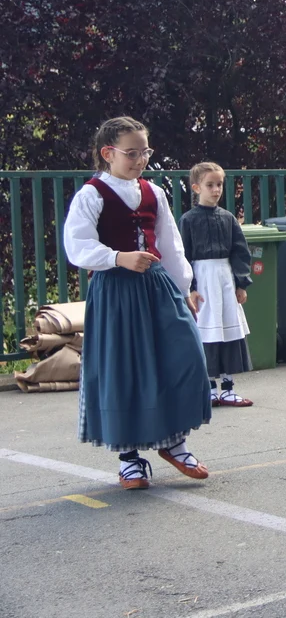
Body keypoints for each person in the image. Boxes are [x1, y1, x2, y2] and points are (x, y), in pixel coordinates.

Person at [63, 117, 211, 490]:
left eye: (145, 152)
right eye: (132, 153)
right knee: (123, 368)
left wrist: (184, 288)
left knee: (185, 356)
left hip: (156, 286)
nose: (141, 159)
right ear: (108, 153)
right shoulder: (92, 194)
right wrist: (118, 257)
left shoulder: (153, 192)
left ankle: (173, 442)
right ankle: (129, 459)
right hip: (115, 290)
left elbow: (170, 243)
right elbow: (77, 245)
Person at [179, 162, 255, 408]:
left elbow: (240, 252)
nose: (216, 190)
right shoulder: (188, 220)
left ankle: (229, 389)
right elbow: (183, 255)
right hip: (203, 281)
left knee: (228, 330)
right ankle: (210, 389)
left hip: (225, 279)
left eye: (219, 184)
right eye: (210, 185)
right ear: (196, 187)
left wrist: (241, 283)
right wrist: (190, 287)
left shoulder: (228, 218)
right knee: (207, 331)